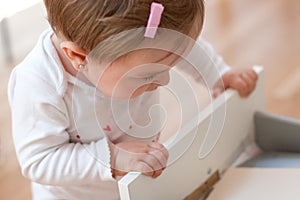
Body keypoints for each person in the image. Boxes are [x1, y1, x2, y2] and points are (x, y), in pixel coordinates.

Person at [8, 0, 258, 199]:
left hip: (137, 184)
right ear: (78, 56)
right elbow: (39, 160)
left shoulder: (152, 43)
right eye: (149, 74)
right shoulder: (39, 85)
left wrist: (217, 74)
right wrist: (112, 158)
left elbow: (182, 46)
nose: (164, 82)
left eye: (168, 66)